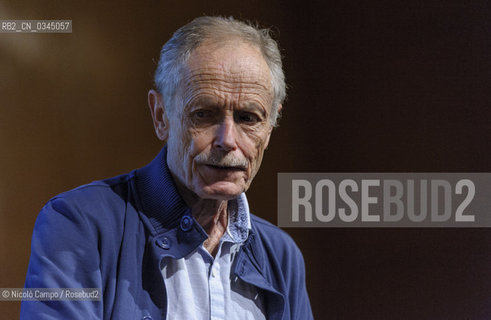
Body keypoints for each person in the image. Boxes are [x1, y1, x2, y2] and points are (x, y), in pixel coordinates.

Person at [21, 16, 313, 320]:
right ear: (161, 116)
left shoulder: (281, 256)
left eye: (248, 118)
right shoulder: (78, 224)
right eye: (203, 114)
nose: (227, 141)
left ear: (270, 127)